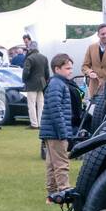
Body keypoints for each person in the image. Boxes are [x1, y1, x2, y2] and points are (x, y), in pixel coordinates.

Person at [41, 53, 81, 200]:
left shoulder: (57, 83)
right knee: (61, 162)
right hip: (56, 132)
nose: (70, 71)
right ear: (57, 69)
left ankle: (52, 194)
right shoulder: (57, 84)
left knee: (52, 163)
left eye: (71, 68)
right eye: (67, 68)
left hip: (51, 131)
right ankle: (64, 190)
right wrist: (63, 132)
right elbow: (55, 109)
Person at [82, 24, 106, 99]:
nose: (105, 36)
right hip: (94, 89)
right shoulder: (91, 47)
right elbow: (85, 66)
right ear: (98, 35)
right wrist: (90, 72)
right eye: (103, 34)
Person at [21, 39, 50, 129]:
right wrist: (45, 80)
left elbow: (26, 72)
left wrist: (24, 80)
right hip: (42, 83)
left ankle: (34, 124)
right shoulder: (44, 57)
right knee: (41, 104)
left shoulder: (30, 58)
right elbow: (47, 72)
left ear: (30, 48)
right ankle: (41, 123)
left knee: (31, 104)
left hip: (31, 83)